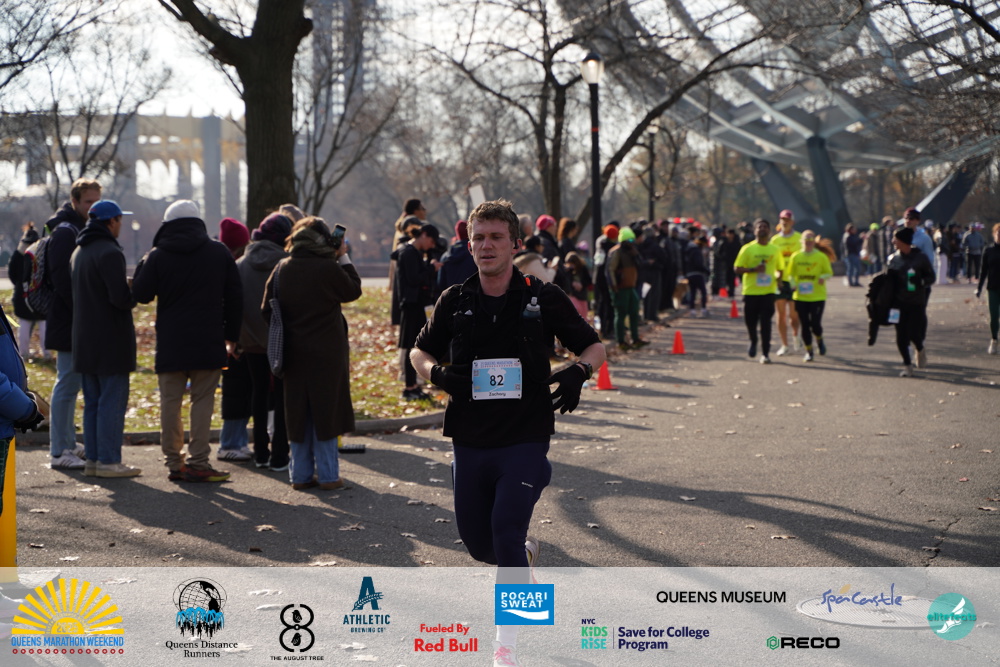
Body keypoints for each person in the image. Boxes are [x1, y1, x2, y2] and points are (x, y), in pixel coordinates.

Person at [410, 199, 605, 667]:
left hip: (525, 436)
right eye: (478, 238)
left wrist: (579, 371)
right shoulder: (455, 299)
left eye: (496, 237)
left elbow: (594, 346)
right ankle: (525, 554)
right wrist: (438, 374)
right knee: (483, 546)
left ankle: (508, 649)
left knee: (506, 531)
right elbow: (418, 353)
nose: (486, 246)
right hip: (470, 438)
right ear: (468, 245)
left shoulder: (542, 297)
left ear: (515, 243)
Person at [132, 200, 243, 483]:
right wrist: (231, 337)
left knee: (170, 403)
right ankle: (199, 461)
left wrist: (145, 260)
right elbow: (235, 298)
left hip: (171, 341)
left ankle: (174, 462)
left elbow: (141, 294)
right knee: (202, 401)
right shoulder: (219, 252)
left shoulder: (159, 256)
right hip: (209, 339)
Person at [262, 217, 361, 490]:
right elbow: (353, 289)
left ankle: (300, 475)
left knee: (297, 413)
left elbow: (266, 309)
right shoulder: (328, 268)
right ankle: (328, 475)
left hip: (292, 352)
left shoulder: (282, 268)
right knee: (326, 412)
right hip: (327, 352)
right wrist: (342, 256)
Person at [70, 200, 140, 478]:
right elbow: (120, 299)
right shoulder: (110, 252)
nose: (121, 225)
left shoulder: (79, 251)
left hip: (84, 339)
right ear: (111, 222)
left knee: (93, 403)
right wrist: (134, 288)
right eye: (120, 220)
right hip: (111, 339)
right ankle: (110, 461)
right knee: (112, 402)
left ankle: (94, 460)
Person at [45, 177, 102, 470]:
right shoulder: (67, 232)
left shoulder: (76, 228)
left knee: (71, 383)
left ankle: (66, 441)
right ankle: (58, 450)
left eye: (97, 201)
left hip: (72, 318)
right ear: (75, 201)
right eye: (88, 201)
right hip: (68, 319)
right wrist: (82, 309)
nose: (93, 207)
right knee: (67, 383)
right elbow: (61, 279)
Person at [237, 213, 293, 470]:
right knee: (282, 395)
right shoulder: (286, 263)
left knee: (258, 392)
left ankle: (260, 452)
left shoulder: (241, 264)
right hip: (280, 338)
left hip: (250, 339)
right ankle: (280, 454)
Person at [395, 223, 441, 400]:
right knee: (410, 346)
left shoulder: (414, 252)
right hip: (411, 305)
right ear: (424, 235)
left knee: (415, 345)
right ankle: (409, 387)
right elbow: (413, 279)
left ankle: (413, 385)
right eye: (431, 241)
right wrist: (431, 268)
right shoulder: (408, 252)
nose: (431, 245)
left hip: (416, 304)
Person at [886, 226, 935, 377]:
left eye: (896, 239)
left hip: (915, 302)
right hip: (897, 303)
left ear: (904, 241)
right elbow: (888, 280)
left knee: (914, 333)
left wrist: (921, 282)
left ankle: (920, 348)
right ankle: (907, 365)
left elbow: (931, 277)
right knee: (900, 335)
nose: (893, 241)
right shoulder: (893, 258)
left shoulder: (920, 258)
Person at [733, 218, 784, 364]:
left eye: (765, 227)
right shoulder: (747, 249)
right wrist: (753, 269)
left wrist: (779, 280)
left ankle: (765, 353)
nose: (762, 229)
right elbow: (737, 268)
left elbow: (780, 268)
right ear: (755, 231)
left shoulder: (775, 249)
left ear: (769, 230)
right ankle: (753, 340)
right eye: (759, 227)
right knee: (751, 322)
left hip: (768, 292)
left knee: (766, 323)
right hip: (751, 292)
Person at [788, 230, 833, 362]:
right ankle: (809, 351)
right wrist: (793, 284)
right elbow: (790, 274)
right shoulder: (796, 256)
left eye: (810, 240)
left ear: (814, 242)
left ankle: (819, 339)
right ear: (801, 241)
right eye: (806, 240)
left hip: (817, 296)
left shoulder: (820, 257)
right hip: (800, 296)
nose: (808, 242)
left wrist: (822, 277)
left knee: (815, 324)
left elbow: (829, 272)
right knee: (805, 325)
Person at [8, 223, 50, 361]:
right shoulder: (41, 252)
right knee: (43, 327)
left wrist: (20, 285)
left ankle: (23, 353)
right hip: (40, 294)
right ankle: (46, 353)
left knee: (24, 327)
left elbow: (12, 274)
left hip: (22, 295)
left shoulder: (17, 255)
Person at [607, 227, 647, 350]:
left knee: (634, 312)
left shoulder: (632, 251)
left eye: (632, 240)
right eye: (629, 240)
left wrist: (636, 255)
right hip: (620, 288)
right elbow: (610, 270)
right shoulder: (616, 252)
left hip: (631, 287)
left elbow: (641, 264)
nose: (631, 242)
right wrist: (614, 286)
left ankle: (635, 339)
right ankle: (620, 341)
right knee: (620, 314)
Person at [769, 209, 802, 355]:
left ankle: (796, 336)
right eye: (782, 219)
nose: (785, 222)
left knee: (793, 316)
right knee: (780, 314)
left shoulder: (799, 238)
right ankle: (784, 344)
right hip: (780, 281)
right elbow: (771, 260)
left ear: (792, 222)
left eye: (787, 220)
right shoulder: (775, 240)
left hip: (794, 281)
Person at [976, 223, 1000, 355]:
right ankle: (994, 339)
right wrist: (979, 288)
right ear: (994, 234)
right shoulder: (988, 250)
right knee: (994, 316)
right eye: (998, 232)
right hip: (993, 288)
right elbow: (983, 271)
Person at [438, 220, 477, 290]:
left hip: (451, 295)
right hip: (472, 295)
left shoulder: (445, 257)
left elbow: (441, 284)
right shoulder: (475, 255)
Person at [683, 236, 710, 317]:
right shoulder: (697, 251)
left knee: (692, 292)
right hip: (697, 274)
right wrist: (706, 270)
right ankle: (703, 309)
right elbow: (698, 264)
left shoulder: (689, 249)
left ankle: (692, 310)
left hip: (689, 273)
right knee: (703, 292)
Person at [562, 251, 593, 319]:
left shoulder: (583, 269)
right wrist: (572, 284)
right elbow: (566, 281)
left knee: (583, 315)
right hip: (573, 295)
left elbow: (588, 281)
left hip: (582, 295)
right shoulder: (568, 271)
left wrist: (581, 284)